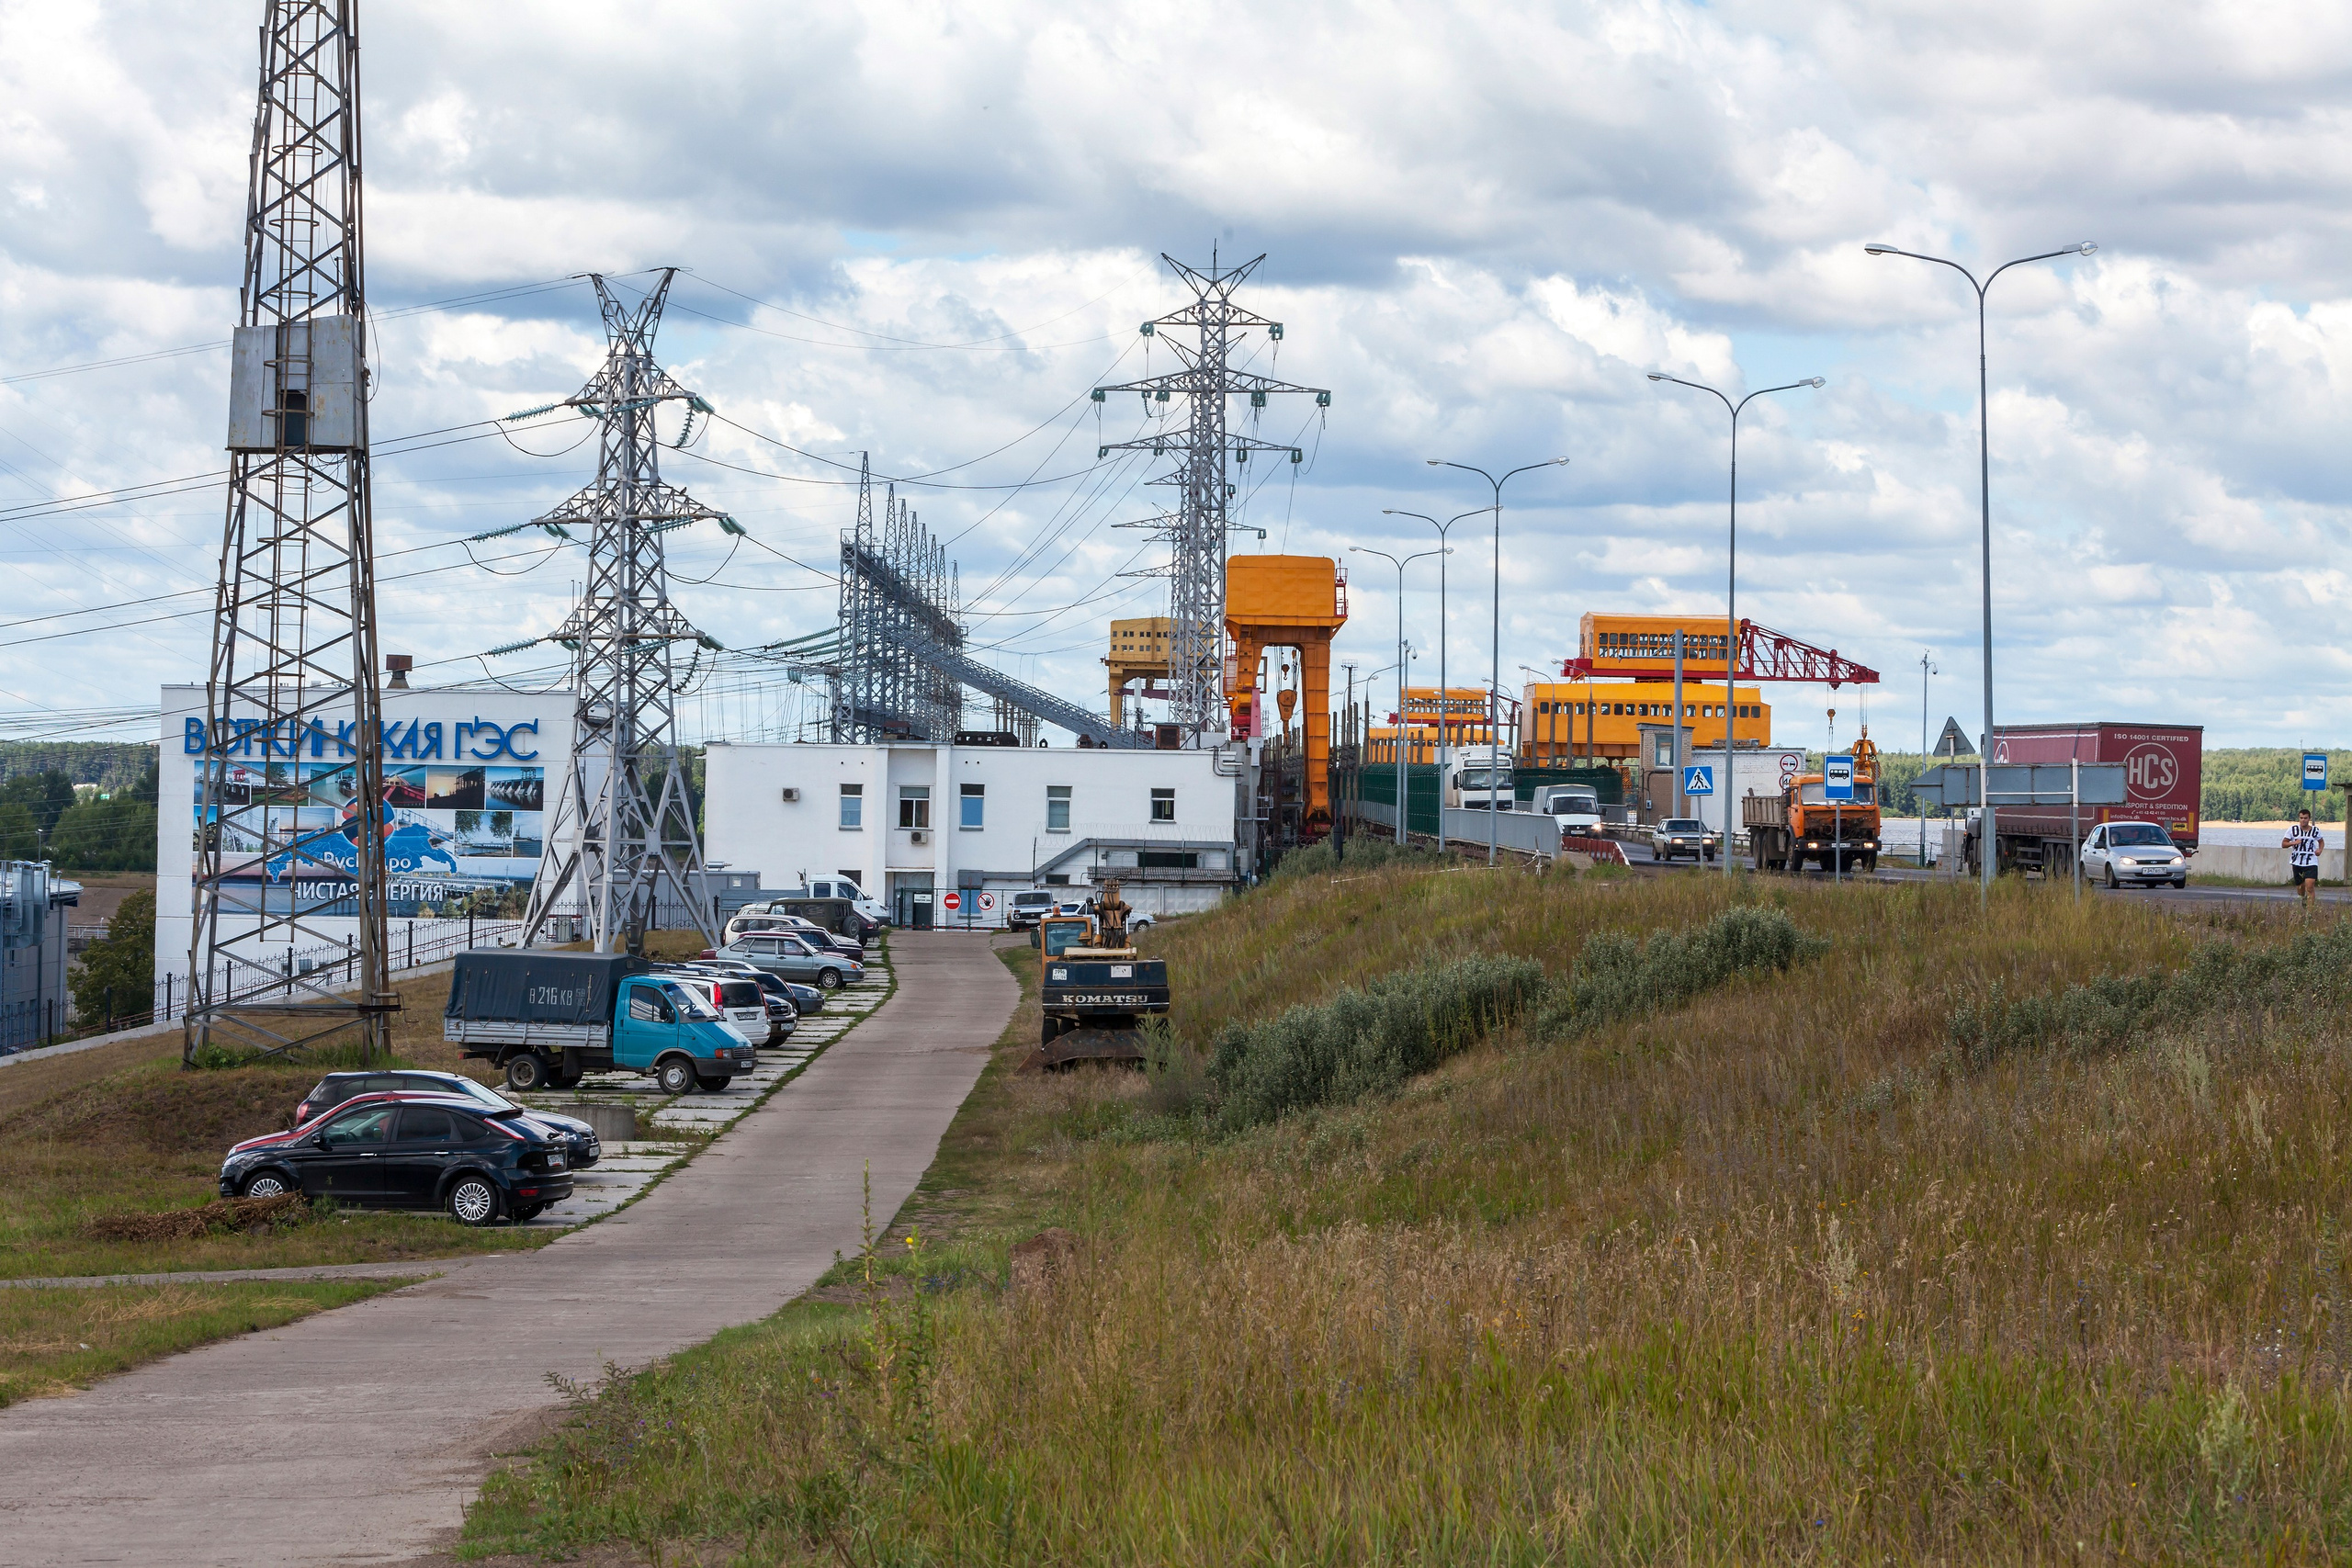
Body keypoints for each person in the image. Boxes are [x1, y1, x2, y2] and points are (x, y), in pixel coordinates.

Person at [2283, 807, 2325, 907]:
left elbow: (2321, 841)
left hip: (2311, 861)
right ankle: (2303, 900)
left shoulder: (2315, 830)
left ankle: (2310, 914)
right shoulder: (2292, 830)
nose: (2303, 820)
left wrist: (2320, 850)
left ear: (2309, 819)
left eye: (2305, 818)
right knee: (2300, 888)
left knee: (2310, 886)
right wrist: (2294, 842)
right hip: (2297, 861)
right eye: (2301, 818)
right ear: (2299, 818)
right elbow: (2284, 844)